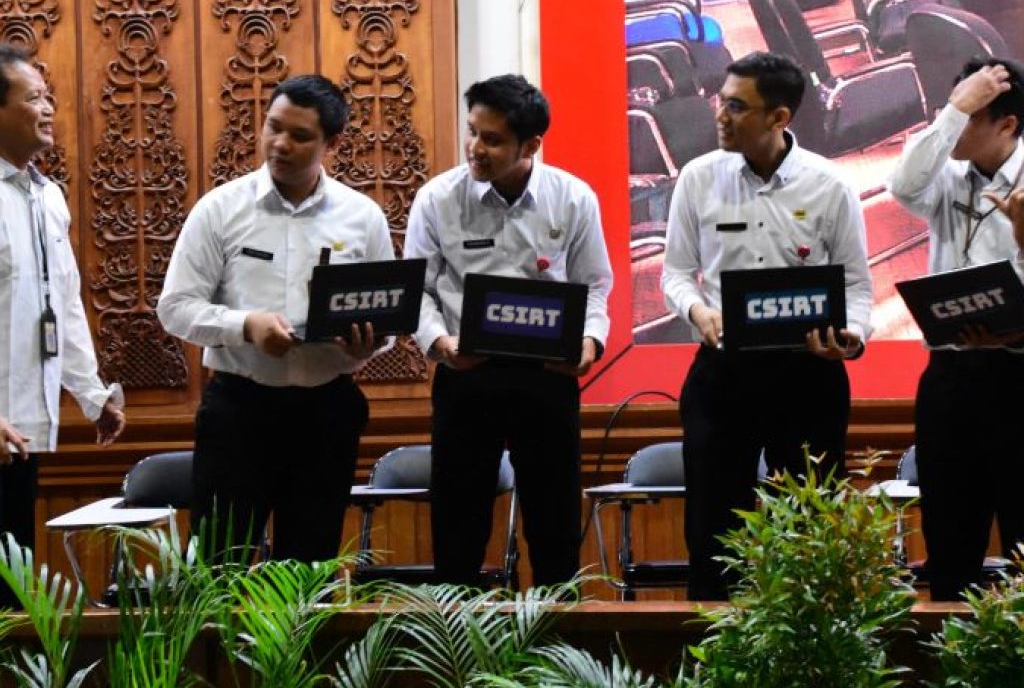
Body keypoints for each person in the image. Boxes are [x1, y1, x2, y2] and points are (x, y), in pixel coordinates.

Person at [157, 74, 393, 564]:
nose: (280, 144)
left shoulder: (362, 217)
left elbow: (384, 315)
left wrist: (368, 343)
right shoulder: (220, 210)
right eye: (273, 127)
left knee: (309, 572)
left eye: (300, 135)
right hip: (240, 411)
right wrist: (246, 325)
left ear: (332, 143)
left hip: (327, 413)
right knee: (220, 570)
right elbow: (175, 307)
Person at [662, 51, 872, 600]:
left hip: (808, 375)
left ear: (780, 118)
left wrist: (850, 335)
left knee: (809, 531)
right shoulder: (697, 179)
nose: (720, 115)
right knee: (712, 530)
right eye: (720, 100)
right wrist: (696, 311)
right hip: (722, 376)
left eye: (736, 106)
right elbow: (677, 274)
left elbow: (856, 285)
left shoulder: (830, 185)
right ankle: (712, 666)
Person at [405, 73, 612, 587]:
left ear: (531, 145)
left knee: (555, 532)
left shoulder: (573, 198)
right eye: (472, 131)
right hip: (465, 377)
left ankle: (555, 652)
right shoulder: (437, 199)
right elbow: (417, 295)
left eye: (492, 139)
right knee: (457, 532)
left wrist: (589, 342)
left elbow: (595, 287)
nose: (476, 148)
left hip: (546, 380)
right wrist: (440, 343)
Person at [890, 58, 1024, 600]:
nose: (955, 125)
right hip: (949, 375)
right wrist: (955, 109)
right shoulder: (945, 176)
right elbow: (902, 186)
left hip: (1018, 377)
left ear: (1008, 125)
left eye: (972, 116)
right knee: (949, 534)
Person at [0, 43, 125, 606]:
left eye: (48, 97)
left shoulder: (48, 196)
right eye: (34, 98)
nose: (48, 109)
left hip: (22, 436)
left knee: (13, 604)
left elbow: (65, 303)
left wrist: (92, 395)